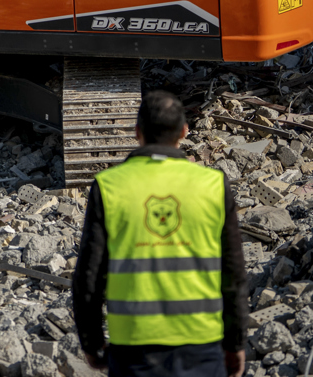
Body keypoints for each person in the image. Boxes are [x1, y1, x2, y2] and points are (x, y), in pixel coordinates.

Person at [73, 92, 248, 377]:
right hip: (201, 345)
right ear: (184, 131)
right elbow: (233, 274)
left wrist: (91, 343)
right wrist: (235, 342)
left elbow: (88, 278)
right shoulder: (213, 185)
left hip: (134, 347)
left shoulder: (109, 186)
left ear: (137, 132)